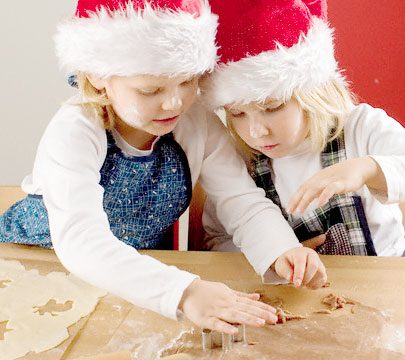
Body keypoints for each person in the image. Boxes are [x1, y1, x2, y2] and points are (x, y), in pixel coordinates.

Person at [0, 0, 327, 335]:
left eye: (187, 82)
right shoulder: (75, 130)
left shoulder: (194, 121)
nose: (174, 103)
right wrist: (183, 292)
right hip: (39, 267)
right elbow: (81, 241)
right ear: (99, 76)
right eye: (150, 90)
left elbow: (240, 200)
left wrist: (280, 249)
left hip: (140, 275)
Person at [202, 0, 405, 257]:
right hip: (295, 291)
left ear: (312, 93)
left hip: (382, 279)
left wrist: (368, 169)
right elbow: (218, 239)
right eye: (238, 114)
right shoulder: (241, 161)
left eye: (272, 107)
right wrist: (274, 254)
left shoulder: (360, 128)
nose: (256, 132)